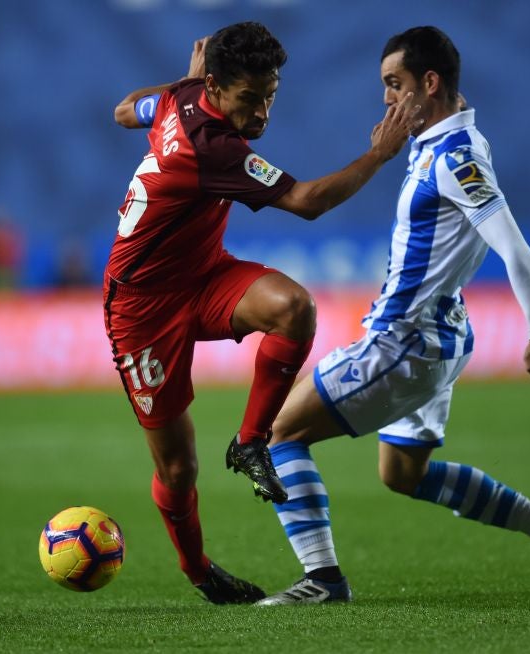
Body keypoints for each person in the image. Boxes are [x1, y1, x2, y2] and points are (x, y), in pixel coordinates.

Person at [257, 26, 530, 606]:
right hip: (442, 334)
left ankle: (323, 580)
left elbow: (515, 249)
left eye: (394, 83)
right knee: (402, 475)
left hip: (404, 341)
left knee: (276, 433)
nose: (386, 97)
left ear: (429, 83)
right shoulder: (448, 140)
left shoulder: (456, 157)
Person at [104, 22, 420, 604]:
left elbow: (125, 110)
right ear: (217, 88)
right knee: (178, 469)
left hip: (204, 275)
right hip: (142, 308)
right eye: (249, 99)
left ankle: (251, 442)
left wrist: (182, 84)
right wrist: (380, 153)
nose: (262, 113)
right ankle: (199, 570)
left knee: (293, 308)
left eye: (269, 95)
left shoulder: (182, 96)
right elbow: (306, 202)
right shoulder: (212, 147)